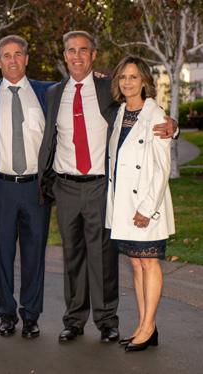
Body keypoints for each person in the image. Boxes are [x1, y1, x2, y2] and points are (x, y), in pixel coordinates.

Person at [37, 30, 176, 344]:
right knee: (71, 256)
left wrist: (173, 124)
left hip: (100, 186)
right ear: (64, 55)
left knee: (103, 258)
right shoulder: (53, 93)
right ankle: (73, 320)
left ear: (93, 55)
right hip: (66, 186)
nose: (76, 56)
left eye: (83, 50)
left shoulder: (108, 89)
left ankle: (106, 321)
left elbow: (142, 111)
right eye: (70, 50)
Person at [0, 35, 54, 339]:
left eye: (18, 54)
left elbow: (86, 91)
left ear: (26, 58)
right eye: (6, 55)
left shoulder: (49, 92)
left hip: (37, 188)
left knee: (35, 255)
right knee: (1, 253)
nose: (12, 60)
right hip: (1, 187)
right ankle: (6, 313)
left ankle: (31, 316)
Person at [106, 56, 175, 352]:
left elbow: (161, 168)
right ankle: (145, 325)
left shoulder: (156, 116)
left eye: (133, 77)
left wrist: (147, 209)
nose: (127, 82)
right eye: (123, 77)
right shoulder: (121, 112)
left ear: (145, 81)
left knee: (149, 262)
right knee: (136, 264)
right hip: (124, 206)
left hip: (147, 206)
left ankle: (148, 327)